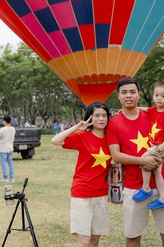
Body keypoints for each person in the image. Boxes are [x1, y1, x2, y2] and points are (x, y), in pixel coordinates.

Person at [106, 78, 164, 247]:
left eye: (132, 92)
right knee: (132, 237)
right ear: (118, 96)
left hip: (162, 182)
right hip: (134, 187)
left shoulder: (153, 114)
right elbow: (116, 155)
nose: (128, 96)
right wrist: (143, 161)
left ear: (139, 95)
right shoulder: (113, 123)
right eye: (124, 92)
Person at [52, 102, 112, 247]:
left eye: (104, 115)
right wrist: (77, 127)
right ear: (90, 118)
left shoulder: (111, 139)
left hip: (101, 193)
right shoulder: (82, 136)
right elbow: (55, 140)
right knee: (84, 241)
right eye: (97, 115)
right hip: (82, 193)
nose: (101, 119)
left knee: (94, 240)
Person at [133, 82, 164, 210]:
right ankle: (163, 198)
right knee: (157, 171)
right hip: (158, 146)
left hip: (162, 146)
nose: (159, 98)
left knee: (144, 159)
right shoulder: (153, 110)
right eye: (156, 95)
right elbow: (144, 109)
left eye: (163, 96)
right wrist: (131, 108)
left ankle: (146, 188)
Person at [0, 115, 15, 183]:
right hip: (10, 147)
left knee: (3, 163)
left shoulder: (2, 129)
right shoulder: (13, 129)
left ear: (5, 121)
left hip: (3, 148)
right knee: (10, 162)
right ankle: (12, 177)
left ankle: (5, 177)